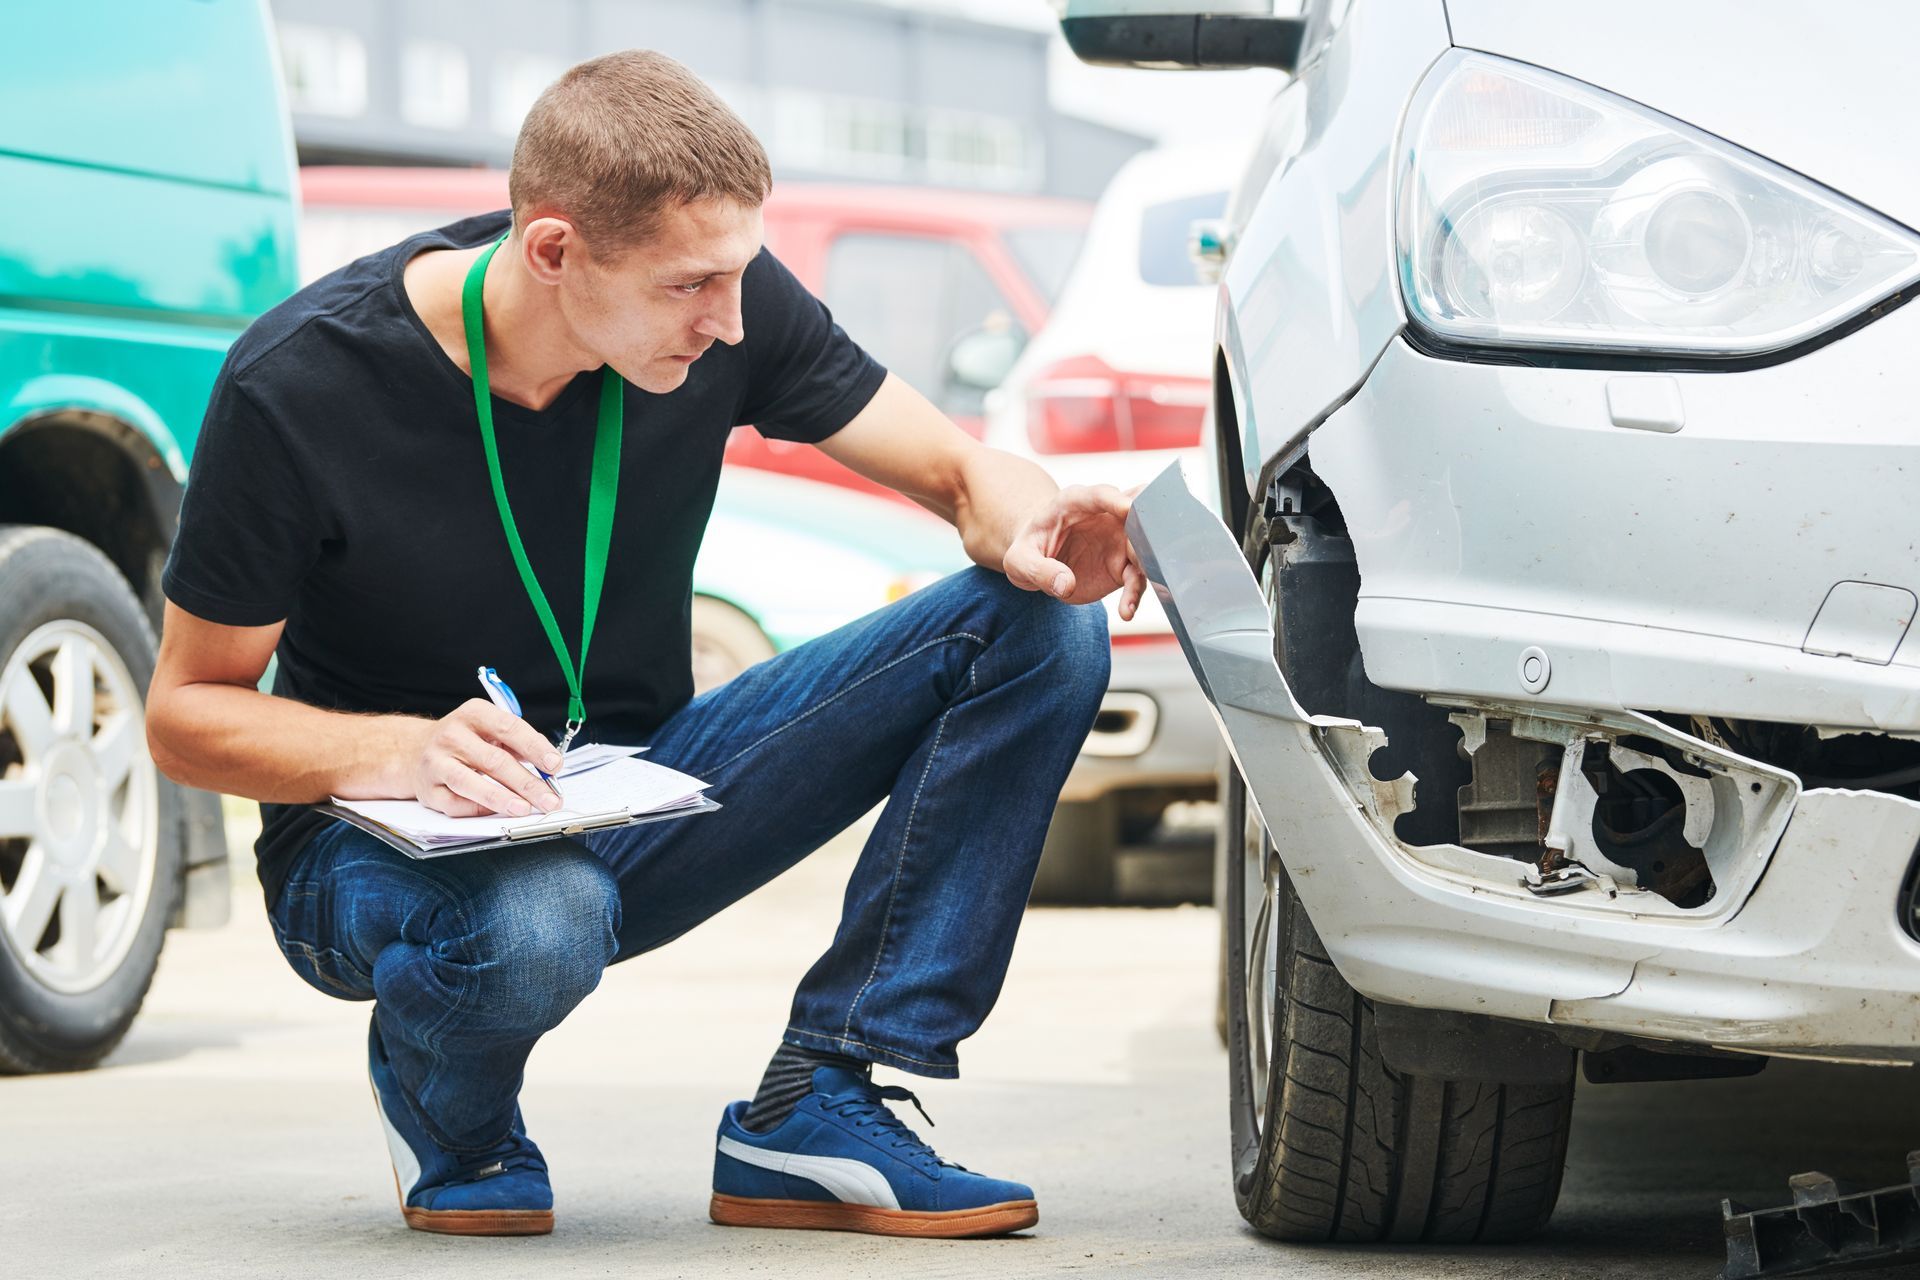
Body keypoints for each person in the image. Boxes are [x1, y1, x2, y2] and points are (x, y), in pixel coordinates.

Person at [146, 49, 1143, 1240]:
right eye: (691, 287)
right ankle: (450, 1111)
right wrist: (405, 752)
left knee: (1038, 625)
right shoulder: (299, 384)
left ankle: (820, 1095)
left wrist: (1031, 516)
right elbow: (186, 712)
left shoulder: (725, 305)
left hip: (632, 785)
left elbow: (959, 468)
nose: (729, 322)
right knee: (539, 914)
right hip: (371, 839)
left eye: (738, 278)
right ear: (555, 249)